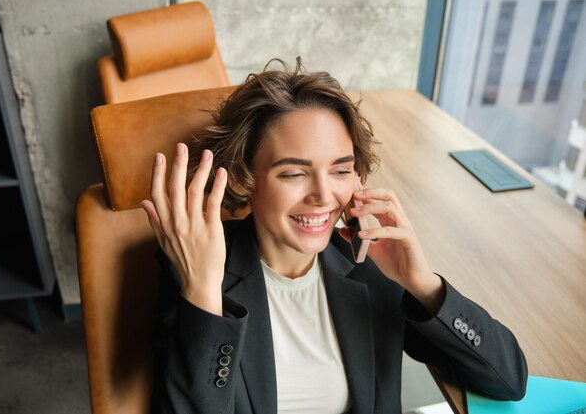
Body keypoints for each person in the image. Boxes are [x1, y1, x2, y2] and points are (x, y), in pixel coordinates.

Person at [142, 59, 527, 414]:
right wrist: (205, 292)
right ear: (245, 177)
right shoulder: (196, 266)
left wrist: (422, 285)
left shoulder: (367, 265)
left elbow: (508, 380)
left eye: (341, 171)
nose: (324, 196)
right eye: (294, 173)